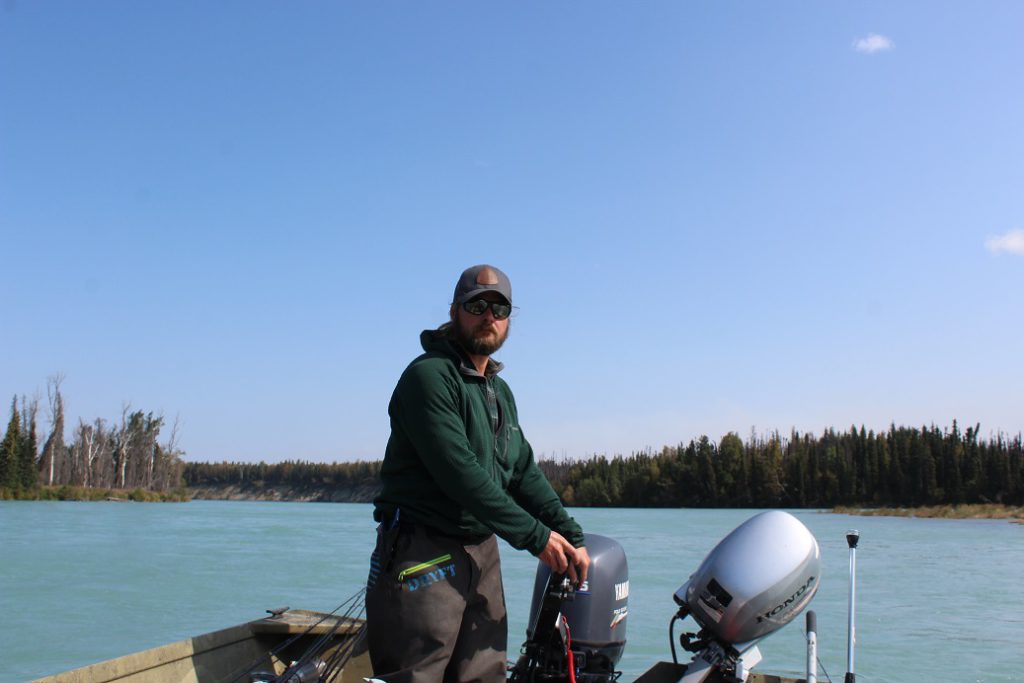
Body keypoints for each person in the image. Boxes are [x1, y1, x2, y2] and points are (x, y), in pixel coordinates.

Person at [365, 264, 590, 683]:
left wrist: (570, 533)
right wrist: (536, 537)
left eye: (499, 308)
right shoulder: (428, 377)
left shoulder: (498, 391)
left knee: (485, 675)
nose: (489, 316)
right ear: (455, 311)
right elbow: (461, 476)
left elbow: (521, 471)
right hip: (424, 552)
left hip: (482, 553)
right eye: (477, 305)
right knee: (417, 676)